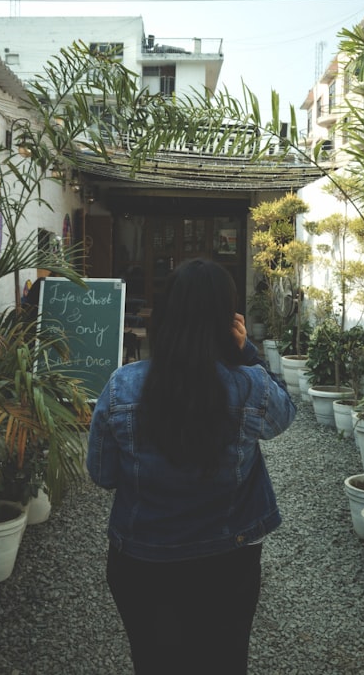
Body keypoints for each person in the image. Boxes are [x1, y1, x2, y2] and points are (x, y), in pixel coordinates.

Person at [87, 258, 296, 674]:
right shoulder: (248, 384)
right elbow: (283, 414)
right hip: (228, 562)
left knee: (154, 663)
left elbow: (103, 475)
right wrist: (248, 354)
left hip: (141, 561)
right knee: (224, 661)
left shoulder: (121, 385)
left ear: (162, 317)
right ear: (226, 322)